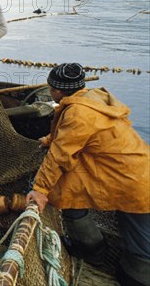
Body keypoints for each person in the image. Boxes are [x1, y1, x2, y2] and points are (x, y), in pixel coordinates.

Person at [26, 63, 149, 286]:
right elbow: (65, 136)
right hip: (137, 168)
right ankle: (94, 249)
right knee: (133, 225)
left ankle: (116, 264)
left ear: (58, 91)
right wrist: (48, 140)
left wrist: (40, 190)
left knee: (140, 241)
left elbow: (60, 156)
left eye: (51, 87)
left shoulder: (78, 113)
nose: (50, 90)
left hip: (134, 182)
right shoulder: (92, 98)